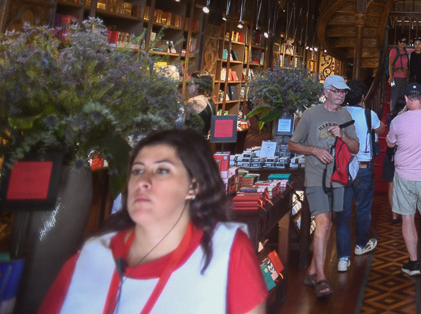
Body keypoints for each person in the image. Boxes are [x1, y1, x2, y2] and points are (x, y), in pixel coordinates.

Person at [40, 129, 267, 313]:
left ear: (193, 187)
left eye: (162, 170)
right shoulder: (88, 259)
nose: (144, 181)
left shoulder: (226, 252)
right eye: (137, 170)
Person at [287, 75, 359, 297]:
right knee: (324, 222)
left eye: (344, 92)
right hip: (316, 178)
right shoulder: (310, 114)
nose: (341, 95)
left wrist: (343, 136)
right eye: (337, 91)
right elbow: (292, 144)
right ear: (326, 91)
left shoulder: (345, 115)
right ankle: (321, 278)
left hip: (337, 178)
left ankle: (311, 271)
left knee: (328, 226)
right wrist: (314, 150)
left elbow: (355, 147)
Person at [385, 82, 421, 277]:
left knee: (407, 219)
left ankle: (414, 262)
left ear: (407, 99)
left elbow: (390, 142)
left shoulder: (398, 121)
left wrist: (401, 116)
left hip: (404, 176)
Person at [336, 79, 385, 271]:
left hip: (343, 167)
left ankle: (342, 257)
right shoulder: (368, 114)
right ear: (363, 97)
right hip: (363, 166)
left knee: (344, 211)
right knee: (363, 208)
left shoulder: (340, 113)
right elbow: (380, 128)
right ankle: (361, 244)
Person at [383, 94, 407, 225]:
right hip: (397, 154)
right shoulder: (396, 119)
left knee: (393, 186)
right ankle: (397, 214)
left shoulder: (391, 118)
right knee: (396, 185)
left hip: (393, 154)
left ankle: (395, 214)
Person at [184, 71, 216, 136]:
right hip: (203, 141)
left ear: (198, 86)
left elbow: (182, 123)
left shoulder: (193, 101)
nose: (188, 86)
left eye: (190, 83)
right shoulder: (210, 101)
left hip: (192, 141)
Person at [387, 37, 411, 109]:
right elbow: (390, 64)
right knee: (394, 95)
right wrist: (391, 77)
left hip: (404, 77)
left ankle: (400, 112)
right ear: (398, 42)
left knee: (402, 96)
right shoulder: (394, 51)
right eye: (401, 41)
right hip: (395, 77)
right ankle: (392, 113)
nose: (403, 43)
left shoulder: (406, 51)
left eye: (405, 41)